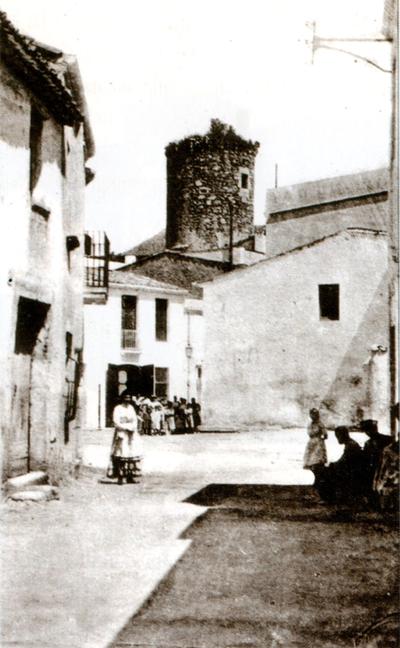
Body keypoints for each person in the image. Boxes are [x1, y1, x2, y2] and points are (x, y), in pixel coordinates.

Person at [316, 426, 364, 504]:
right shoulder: (350, 443)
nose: (337, 439)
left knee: (324, 474)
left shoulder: (350, 445)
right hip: (352, 470)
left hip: (352, 472)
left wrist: (332, 465)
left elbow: (344, 461)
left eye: (338, 437)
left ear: (342, 435)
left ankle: (329, 498)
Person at [110, 391, 143, 485]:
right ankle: (120, 477)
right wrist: (126, 427)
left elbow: (135, 420)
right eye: (125, 397)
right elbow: (116, 421)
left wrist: (132, 428)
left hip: (132, 434)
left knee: (131, 454)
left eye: (129, 397)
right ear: (122, 398)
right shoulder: (118, 408)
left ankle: (130, 476)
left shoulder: (131, 408)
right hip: (122, 433)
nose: (127, 399)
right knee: (121, 454)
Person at [303, 408, 328, 483]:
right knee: (310, 462)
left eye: (315, 414)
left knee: (317, 462)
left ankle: (319, 479)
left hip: (318, 444)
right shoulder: (310, 424)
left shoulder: (320, 424)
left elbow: (325, 435)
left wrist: (320, 440)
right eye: (312, 414)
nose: (313, 416)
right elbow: (309, 433)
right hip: (311, 443)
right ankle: (317, 479)